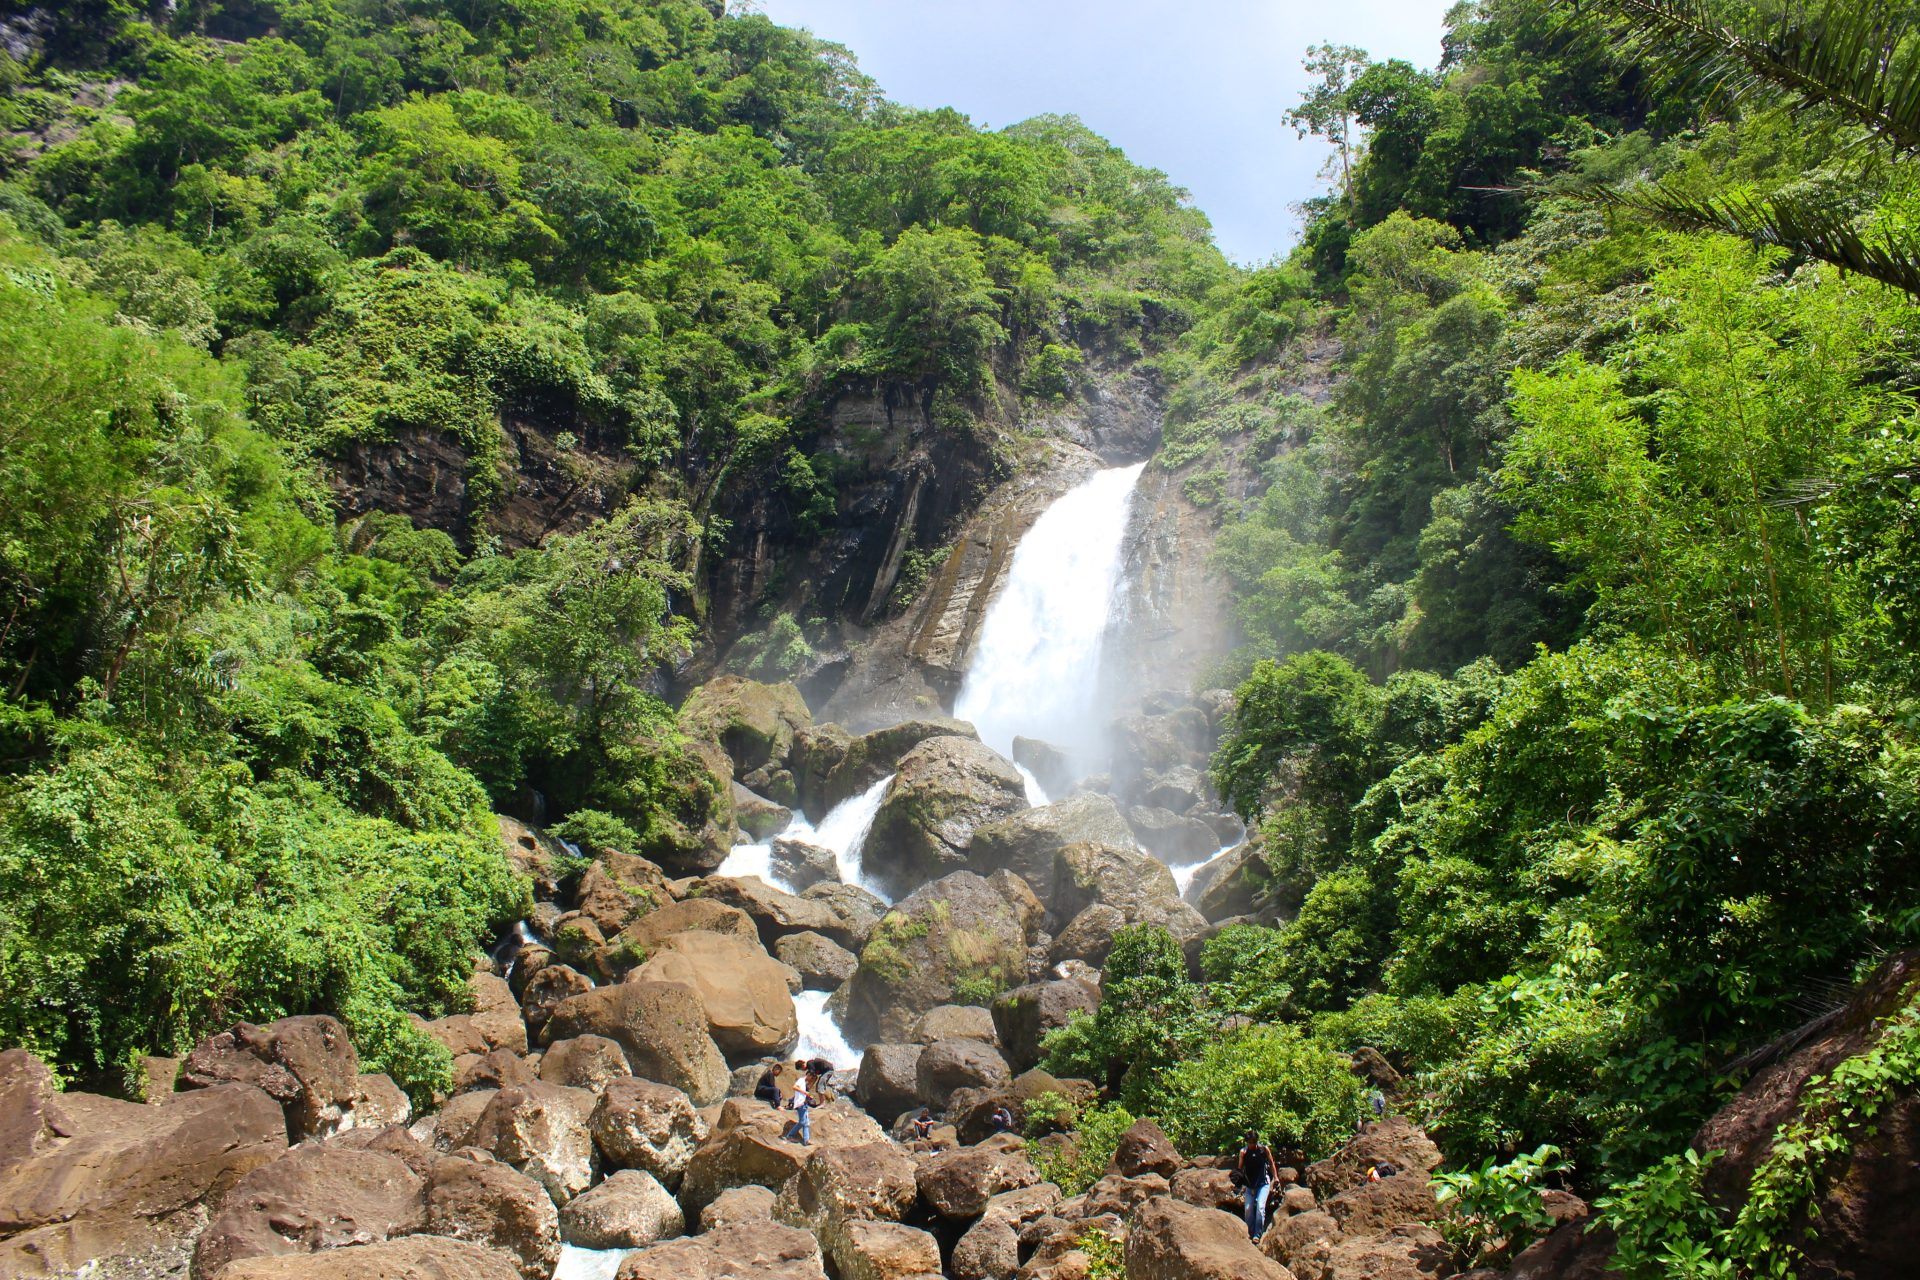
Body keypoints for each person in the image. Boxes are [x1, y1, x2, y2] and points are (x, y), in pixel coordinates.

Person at [1234, 1130, 1279, 1242]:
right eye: (1249, 1142)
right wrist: (1238, 1184)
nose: (1252, 1144)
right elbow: (1240, 1169)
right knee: (1248, 1209)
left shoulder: (1263, 1149)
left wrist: (1276, 1177)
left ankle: (1257, 1235)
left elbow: (1271, 1163)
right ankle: (1250, 1232)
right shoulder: (1243, 1152)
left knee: (1260, 1207)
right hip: (1250, 1185)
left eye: (1253, 1141)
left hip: (1263, 1183)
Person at [782, 1066, 813, 1144]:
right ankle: (789, 1136)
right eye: (811, 1077)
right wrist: (805, 1092)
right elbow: (794, 1087)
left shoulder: (804, 1083)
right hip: (800, 1103)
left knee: (806, 1123)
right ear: (808, 1075)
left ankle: (806, 1140)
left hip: (804, 1103)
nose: (811, 1079)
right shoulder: (801, 1080)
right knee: (802, 1122)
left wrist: (807, 1095)